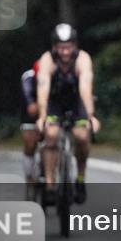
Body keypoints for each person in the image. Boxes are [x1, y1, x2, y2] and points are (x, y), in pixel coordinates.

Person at [35, 24, 101, 204]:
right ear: (54, 47)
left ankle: (80, 178)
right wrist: (42, 116)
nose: (65, 52)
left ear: (75, 46)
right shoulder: (47, 59)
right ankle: (49, 183)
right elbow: (43, 88)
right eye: (61, 47)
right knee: (51, 134)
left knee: (81, 136)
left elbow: (85, 88)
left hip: (76, 101)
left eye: (69, 47)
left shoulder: (83, 59)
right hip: (54, 103)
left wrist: (90, 115)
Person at [20, 61, 41, 190]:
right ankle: (29, 176)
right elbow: (30, 103)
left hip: (50, 110)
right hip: (30, 113)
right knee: (30, 143)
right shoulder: (28, 78)